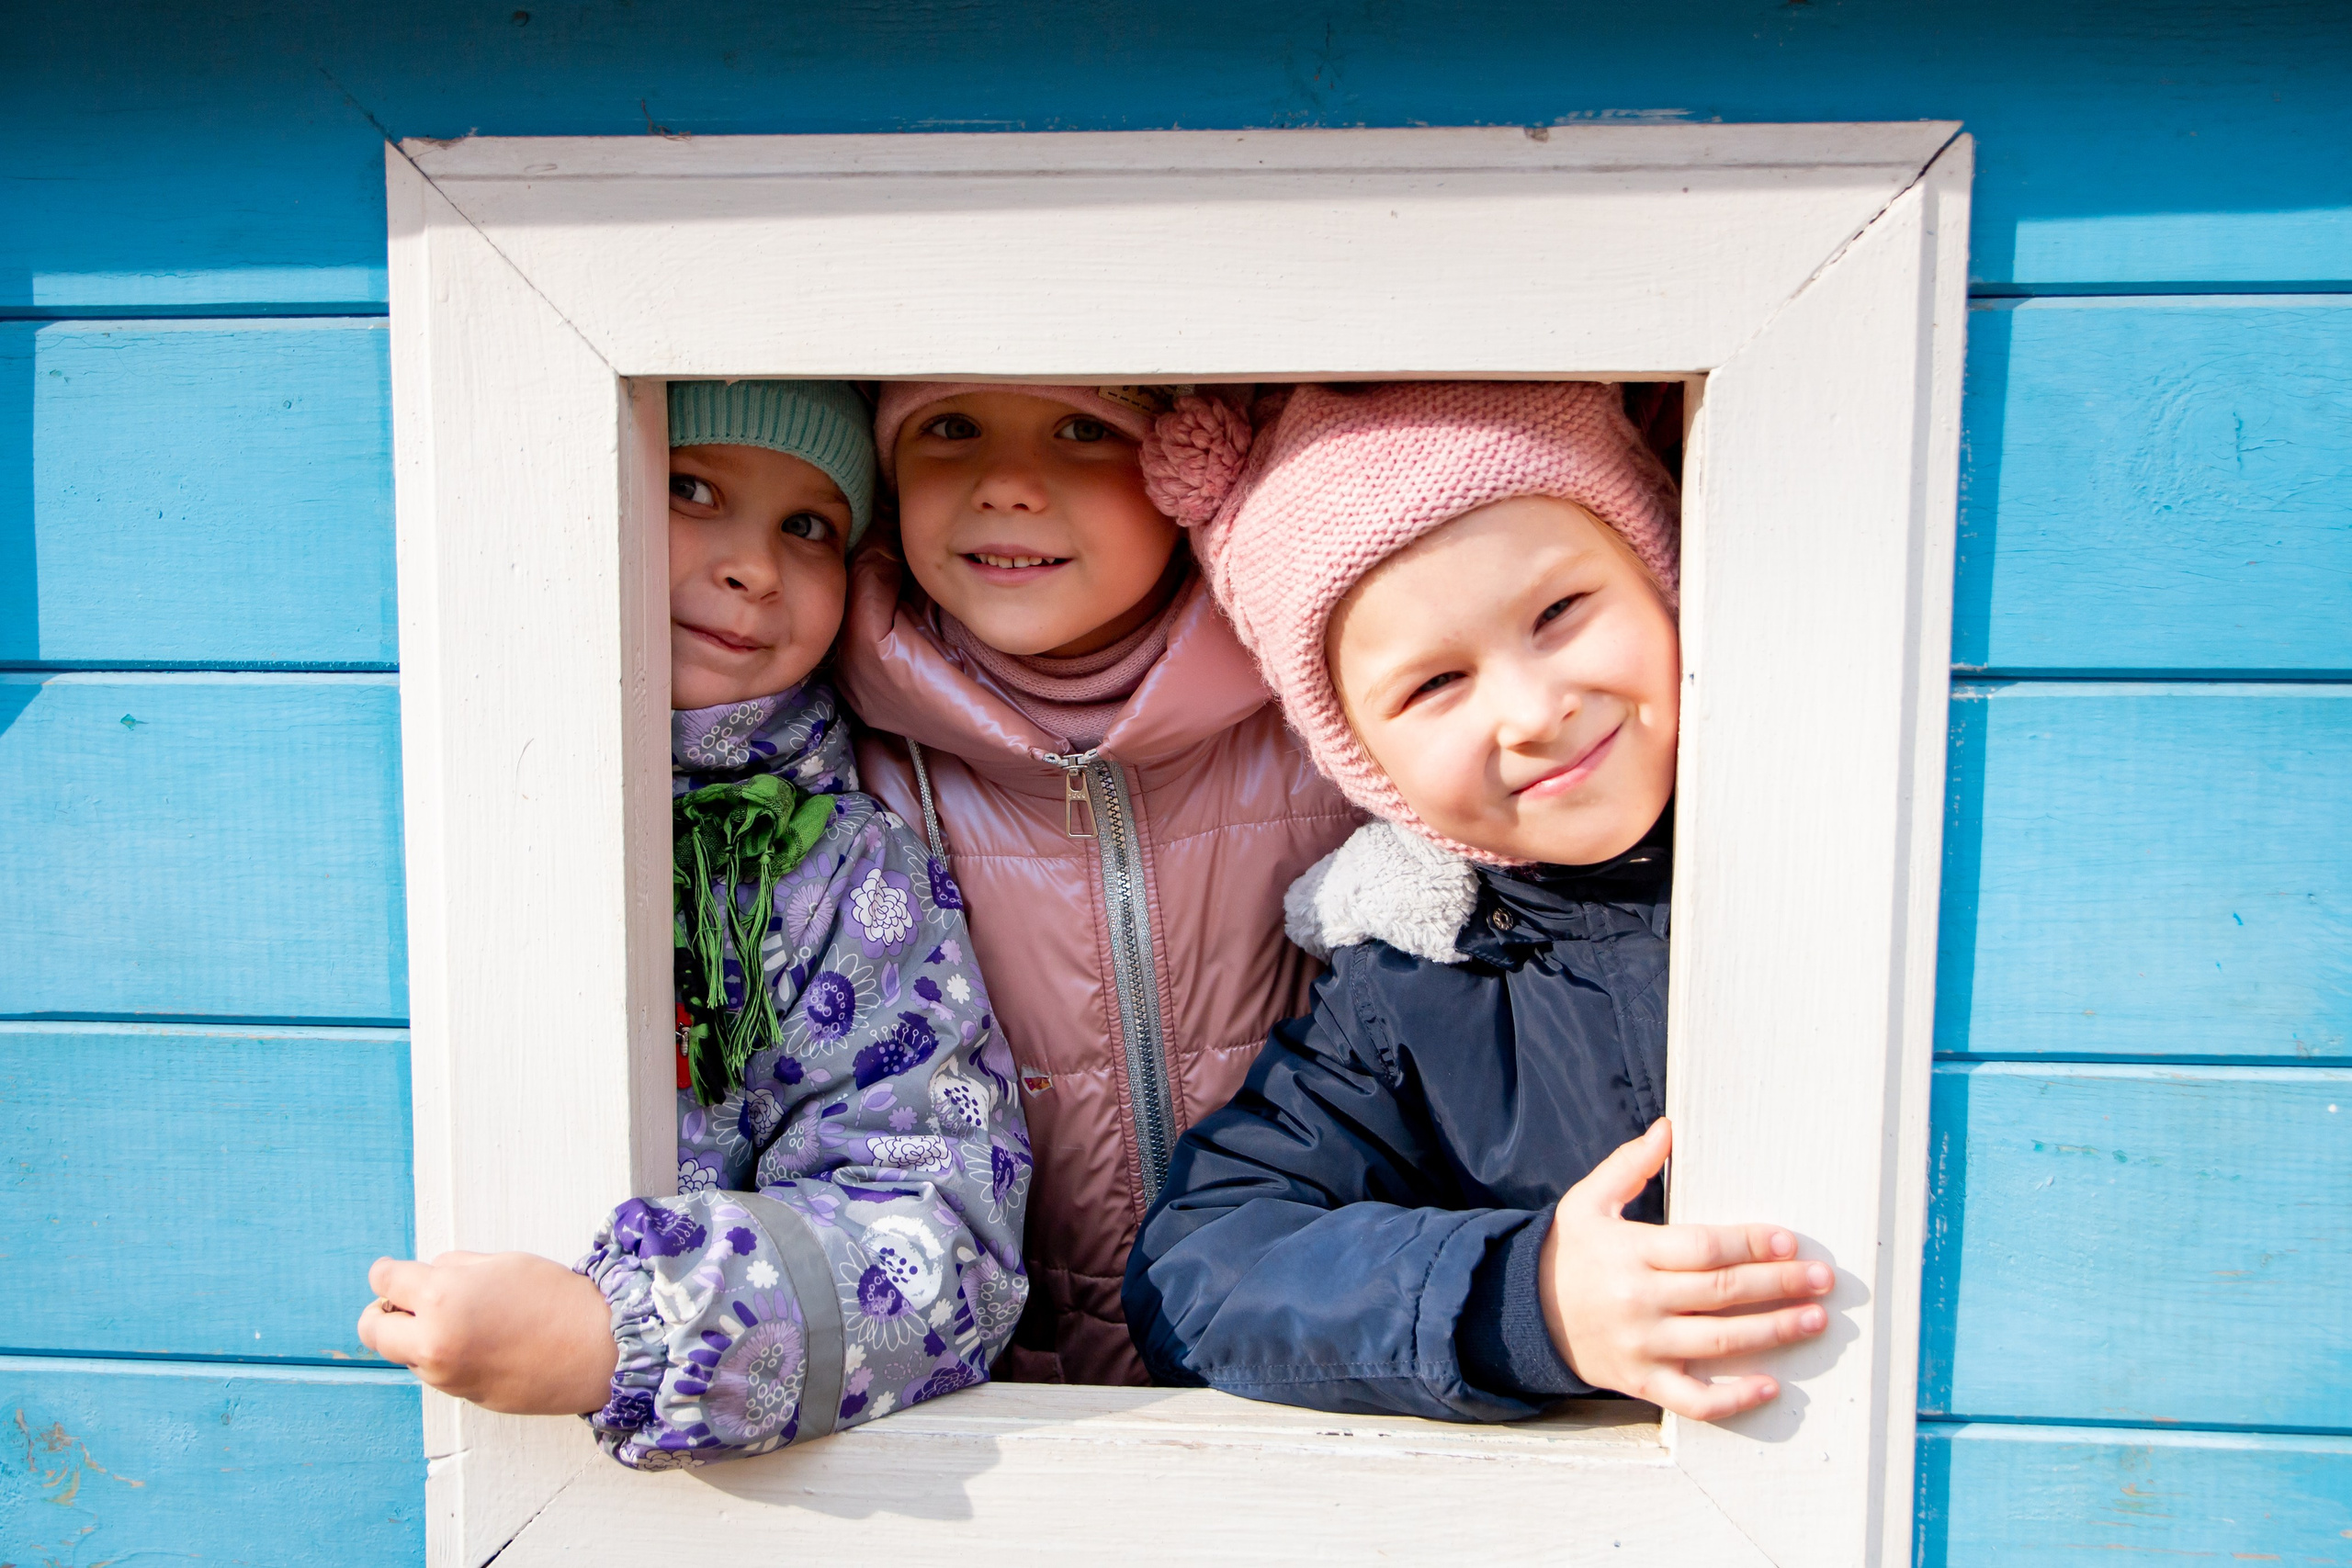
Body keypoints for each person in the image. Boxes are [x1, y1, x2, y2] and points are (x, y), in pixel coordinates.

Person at [1123, 381, 1834, 1423]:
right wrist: (1520, 1298)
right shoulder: (1414, 989)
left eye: (1559, 613)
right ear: (1364, 761)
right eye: (1433, 685)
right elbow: (1201, 1273)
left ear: (1662, 577)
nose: (1533, 713)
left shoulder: (1857, 848)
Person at [359, 380, 1030, 1467]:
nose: (754, 567)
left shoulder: (844, 868)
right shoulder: (406, 788)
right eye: (691, 489)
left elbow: (943, 1231)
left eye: (805, 526)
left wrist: (631, 1332)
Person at [833, 383, 1359, 1383]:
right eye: (951, 427)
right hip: (1017, 1405)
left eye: (1085, 430)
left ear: (1188, 468)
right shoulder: (855, 764)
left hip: (1312, 1360)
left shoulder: (1330, 704)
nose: (1008, 483)